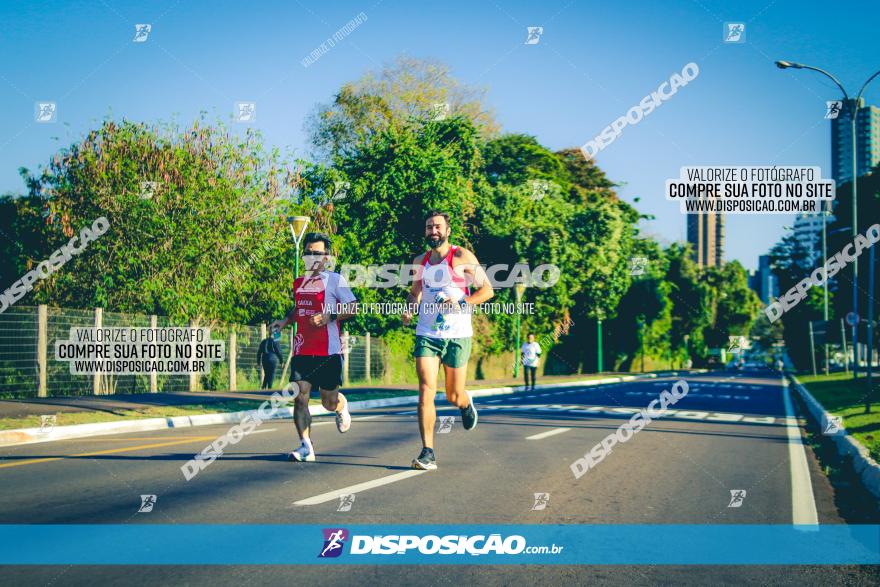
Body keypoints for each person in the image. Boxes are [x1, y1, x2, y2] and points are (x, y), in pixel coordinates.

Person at [402, 211, 494, 470]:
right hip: (427, 334)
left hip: (457, 334)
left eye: (438, 227)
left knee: (453, 394)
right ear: (425, 231)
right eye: (429, 227)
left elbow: (487, 290)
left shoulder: (462, 256)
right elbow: (414, 293)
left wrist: (462, 301)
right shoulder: (420, 261)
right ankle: (428, 451)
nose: (433, 231)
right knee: (426, 390)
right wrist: (409, 308)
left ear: (447, 231)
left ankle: (465, 403)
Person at [270, 232, 357, 462]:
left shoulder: (335, 280)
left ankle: (341, 406)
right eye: (307, 253)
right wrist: (285, 321)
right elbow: (299, 308)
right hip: (302, 349)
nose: (311, 257)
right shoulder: (299, 282)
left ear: (326, 257)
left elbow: (353, 308)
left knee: (328, 401)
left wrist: (329, 317)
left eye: (316, 253)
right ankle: (306, 446)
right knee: (300, 396)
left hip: (329, 352)